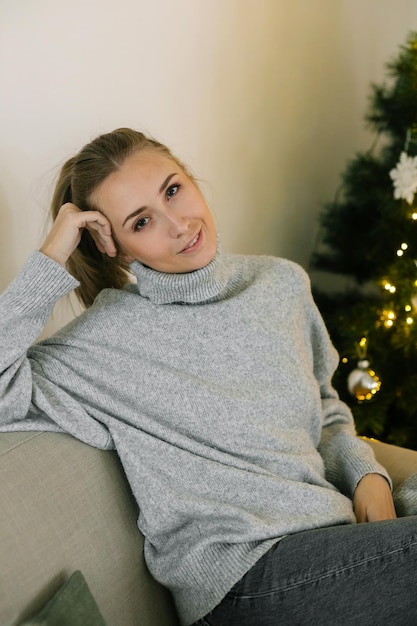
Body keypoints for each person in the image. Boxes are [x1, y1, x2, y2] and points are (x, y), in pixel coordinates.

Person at [1, 127, 416, 626]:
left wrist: (366, 474)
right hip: (243, 582)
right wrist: (52, 255)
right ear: (114, 245)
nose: (178, 225)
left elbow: (324, 406)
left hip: (332, 538)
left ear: (191, 179)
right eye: (141, 221)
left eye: (173, 190)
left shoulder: (280, 282)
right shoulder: (103, 342)